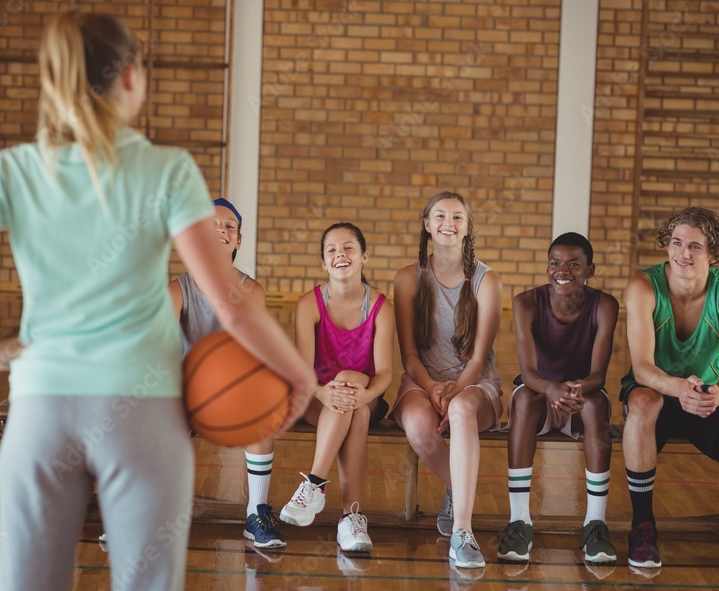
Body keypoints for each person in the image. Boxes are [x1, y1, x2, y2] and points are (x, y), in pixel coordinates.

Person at [0, 11, 315, 591]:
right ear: (131, 78)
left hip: (40, 408)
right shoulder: (168, 170)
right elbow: (233, 302)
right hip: (139, 411)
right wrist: (298, 377)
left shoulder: (13, 170)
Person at [621, 207, 719, 576]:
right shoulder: (643, 286)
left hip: (707, 398)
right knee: (641, 401)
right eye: (676, 243)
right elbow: (641, 368)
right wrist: (677, 388)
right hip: (657, 392)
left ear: (714, 253)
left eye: (695, 246)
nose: (683, 253)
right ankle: (643, 529)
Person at [389, 191, 503, 569]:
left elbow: (477, 358)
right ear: (427, 225)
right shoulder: (408, 278)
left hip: (474, 383)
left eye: (457, 218)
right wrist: (433, 388)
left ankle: (462, 531)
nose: (448, 224)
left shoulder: (487, 281)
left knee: (462, 410)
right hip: (422, 381)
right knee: (421, 427)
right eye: (439, 216)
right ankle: (458, 487)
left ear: (468, 228)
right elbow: (408, 354)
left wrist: (454, 392)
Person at [168, 198, 286, 550]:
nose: (221, 230)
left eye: (229, 227)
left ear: (238, 242)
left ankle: (257, 512)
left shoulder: (251, 291)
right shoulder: (177, 289)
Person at [499, 232, 620, 564]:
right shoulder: (526, 302)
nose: (562, 270)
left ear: (589, 269)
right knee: (524, 399)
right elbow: (528, 372)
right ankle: (519, 520)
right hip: (540, 394)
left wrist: (575, 388)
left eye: (574, 264)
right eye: (555, 263)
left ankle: (595, 524)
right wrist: (553, 388)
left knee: (596, 406)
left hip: (582, 396)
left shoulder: (605, 305)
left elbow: (599, 374)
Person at [278, 223, 394, 553]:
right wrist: (324, 393)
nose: (340, 254)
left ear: (363, 257)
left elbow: (385, 372)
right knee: (352, 413)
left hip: (367, 395)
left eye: (348, 248)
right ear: (323, 263)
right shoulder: (309, 304)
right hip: (316, 395)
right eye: (331, 250)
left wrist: (366, 394)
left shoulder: (382, 308)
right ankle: (351, 519)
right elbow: (302, 372)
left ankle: (314, 484)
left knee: (351, 384)